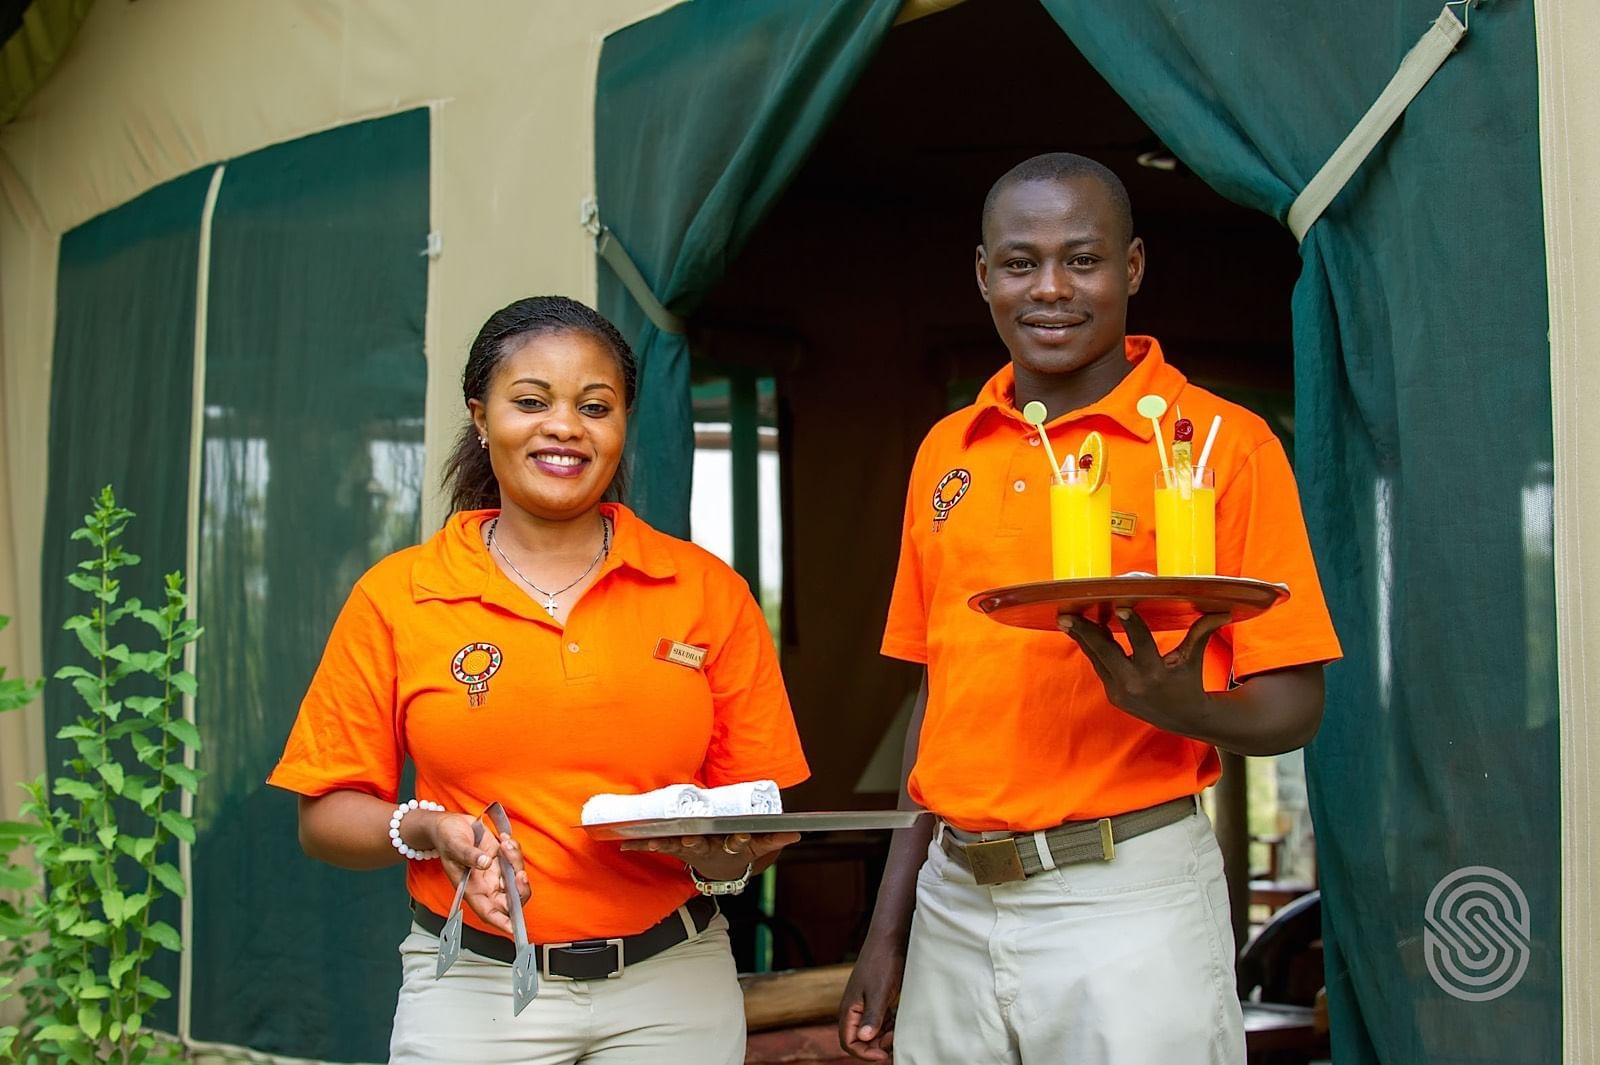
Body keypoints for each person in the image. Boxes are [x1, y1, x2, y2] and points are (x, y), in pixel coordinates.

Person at [837, 154, 1343, 1063]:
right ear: (985, 275)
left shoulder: (1225, 444)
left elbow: (1296, 707)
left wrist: (1177, 705)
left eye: (1084, 259)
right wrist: (891, 924)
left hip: (1129, 898)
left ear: (1133, 268)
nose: (1053, 289)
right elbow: (935, 702)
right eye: (1022, 262)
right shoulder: (946, 451)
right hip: (954, 897)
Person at [268, 295, 810, 1065]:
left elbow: (759, 816)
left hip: (673, 990)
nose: (565, 426)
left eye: (596, 405)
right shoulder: (401, 595)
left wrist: (717, 854)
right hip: (473, 990)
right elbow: (322, 817)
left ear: (623, 424)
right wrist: (426, 829)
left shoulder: (705, 591)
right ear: (480, 416)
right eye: (531, 401)